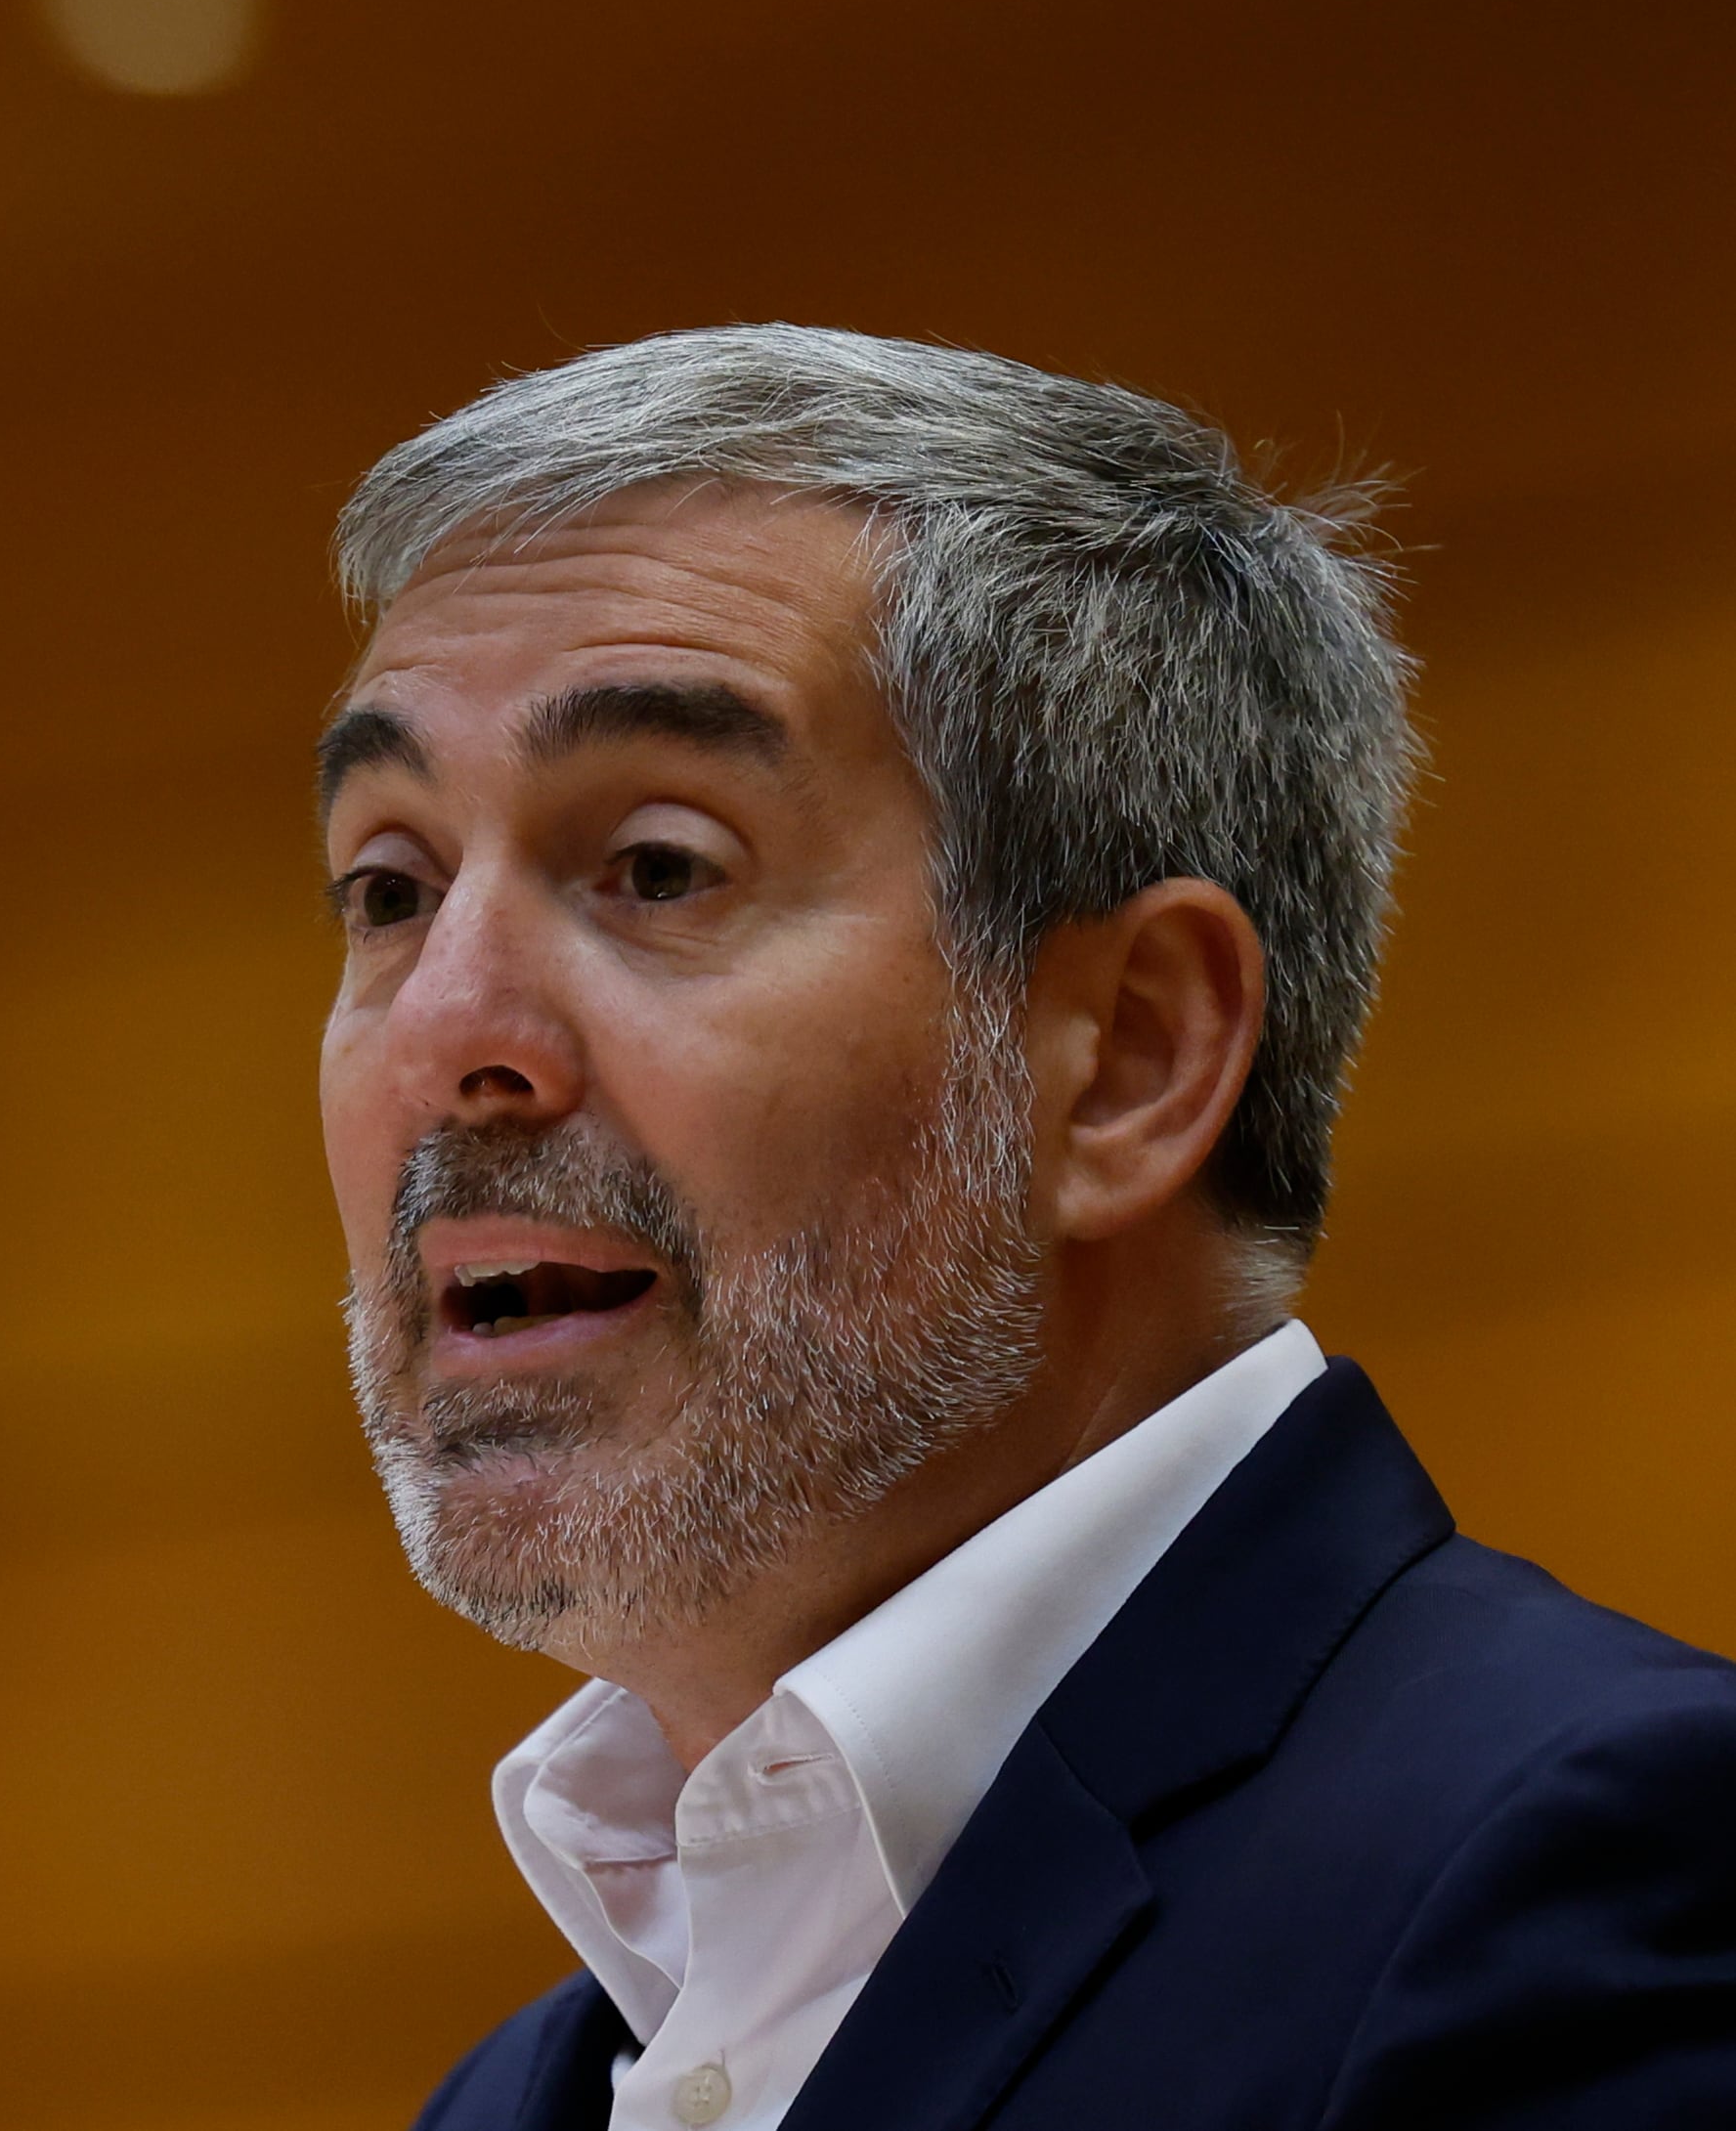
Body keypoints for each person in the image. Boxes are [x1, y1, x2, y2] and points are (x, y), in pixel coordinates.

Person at [314, 326, 1736, 2131]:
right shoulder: (512, 2097)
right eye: (386, 888)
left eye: (659, 866)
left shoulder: (1590, 1882)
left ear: (1130, 1055)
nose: (445, 1032)